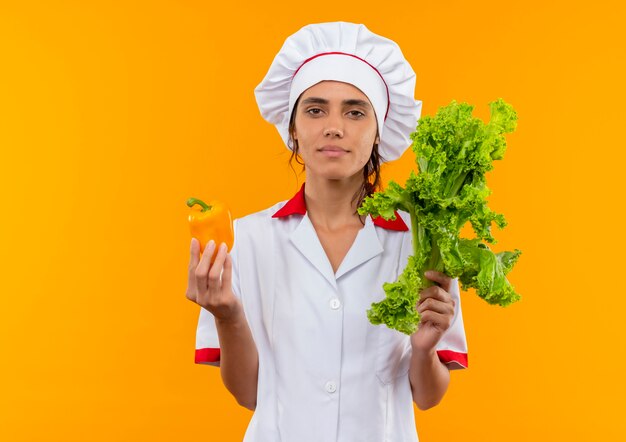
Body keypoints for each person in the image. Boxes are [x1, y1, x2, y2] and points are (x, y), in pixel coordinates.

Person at [187, 22, 468, 442]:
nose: (334, 127)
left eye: (355, 111)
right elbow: (249, 394)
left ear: (380, 132)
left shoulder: (422, 244)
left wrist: (425, 347)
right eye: (315, 110)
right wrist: (227, 315)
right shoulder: (246, 240)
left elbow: (428, 397)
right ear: (293, 129)